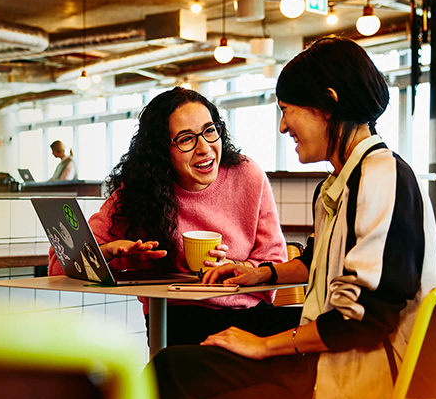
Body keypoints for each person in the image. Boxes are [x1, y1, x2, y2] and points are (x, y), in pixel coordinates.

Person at [152, 36, 436, 399]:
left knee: (172, 380)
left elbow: (362, 318)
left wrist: (264, 345)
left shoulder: (381, 179)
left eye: (287, 111)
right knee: (181, 368)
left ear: (327, 104)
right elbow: (317, 260)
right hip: (345, 371)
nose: (283, 127)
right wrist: (259, 274)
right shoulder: (347, 179)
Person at [46, 87, 293, 346]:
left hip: (250, 318)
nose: (204, 148)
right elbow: (58, 266)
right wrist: (108, 252)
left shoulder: (247, 175)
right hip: (176, 321)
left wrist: (237, 268)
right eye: (186, 139)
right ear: (161, 150)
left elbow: (274, 262)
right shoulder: (139, 192)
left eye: (210, 130)